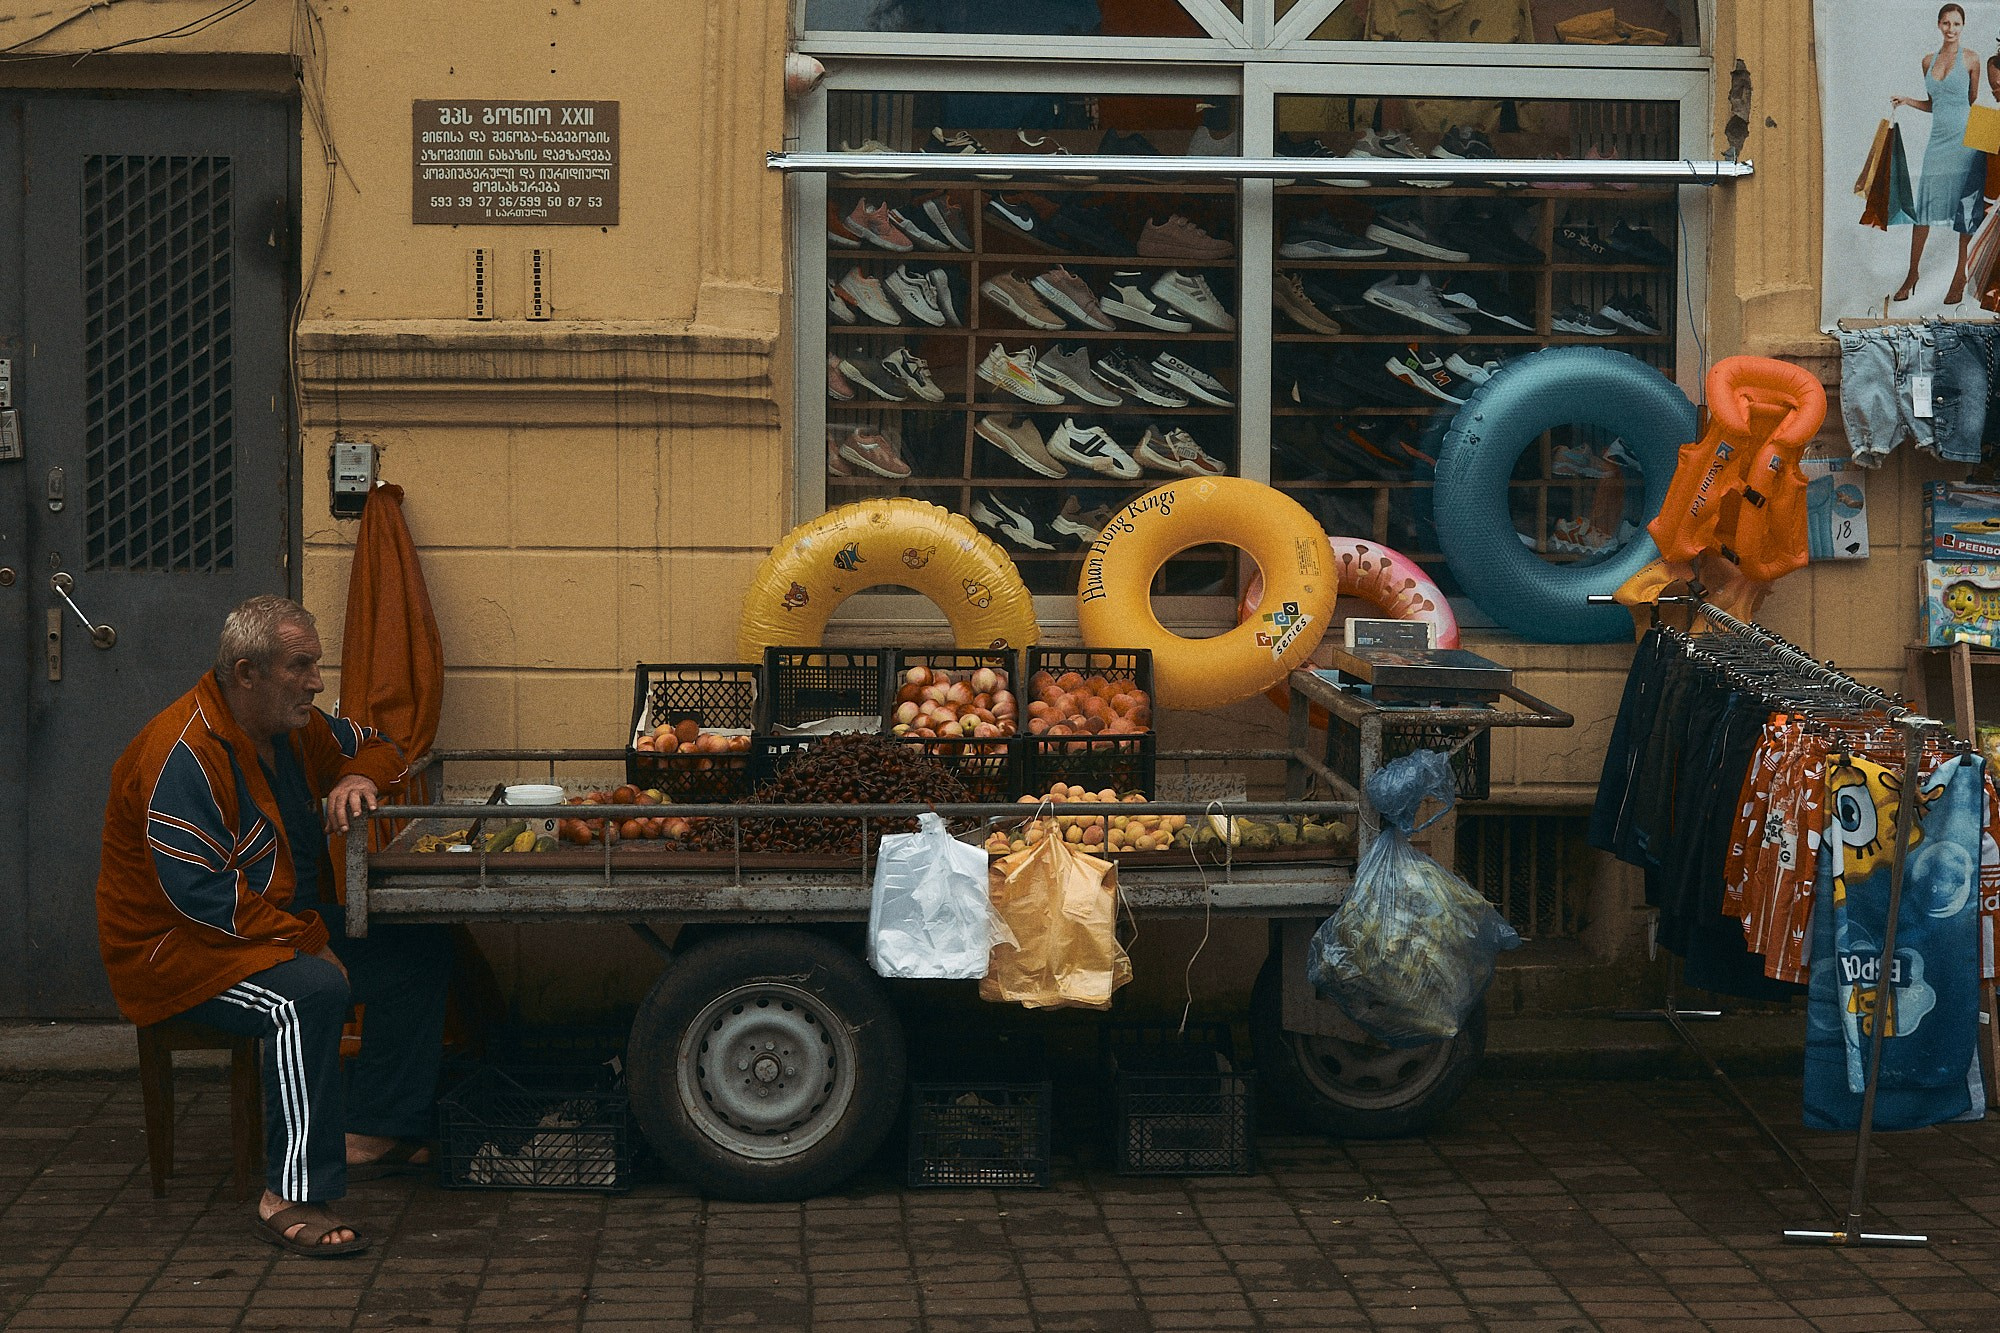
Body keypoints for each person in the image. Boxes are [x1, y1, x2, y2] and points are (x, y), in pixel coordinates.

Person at [96, 594, 450, 1257]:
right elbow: (201, 897)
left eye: (316, 665)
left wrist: (350, 777)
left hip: (272, 928)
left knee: (419, 948)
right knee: (308, 993)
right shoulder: (183, 753)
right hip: (178, 951)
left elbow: (386, 750)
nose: (317, 681)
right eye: (301, 666)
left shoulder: (295, 726)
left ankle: (373, 1129)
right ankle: (288, 1193)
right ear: (246, 672)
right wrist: (309, 943)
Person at [1891, 3, 1984, 303]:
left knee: (1966, 207)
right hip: (1938, 143)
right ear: (1939, 25)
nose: (1951, 29)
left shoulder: (1972, 59)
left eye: (1956, 24)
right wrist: (1907, 101)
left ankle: (1960, 274)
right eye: (1946, 23)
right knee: (1924, 209)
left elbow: (1970, 101)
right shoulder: (1927, 61)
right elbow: (1936, 104)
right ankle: (1912, 272)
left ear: (1962, 26)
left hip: (1966, 141)